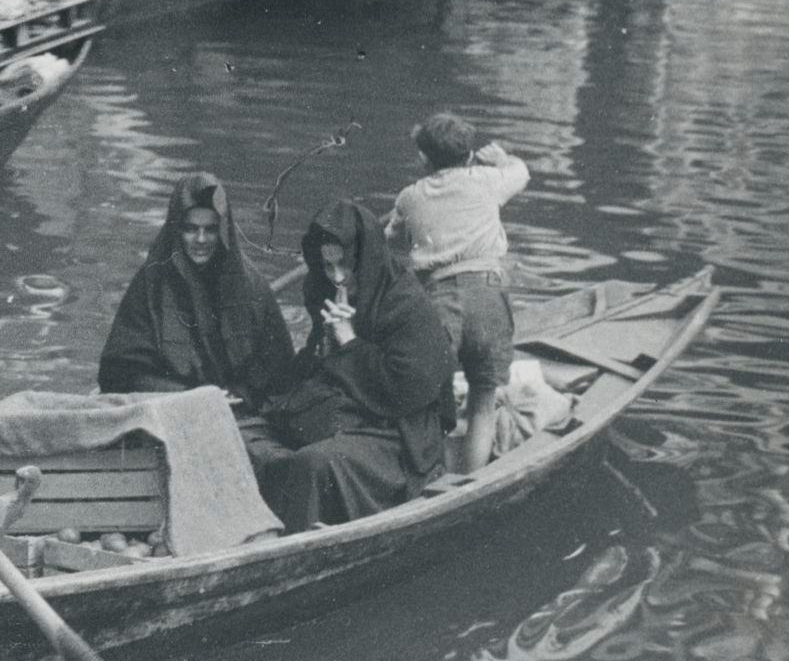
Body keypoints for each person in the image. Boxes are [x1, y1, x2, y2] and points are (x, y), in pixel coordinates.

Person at [242, 200, 457, 533]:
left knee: (314, 463)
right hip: (341, 413)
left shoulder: (406, 304)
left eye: (346, 265)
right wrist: (325, 344)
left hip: (396, 432)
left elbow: (408, 390)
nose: (338, 278)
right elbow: (315, 367)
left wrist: (350, 342)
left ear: (366, 259)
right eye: (328, 266)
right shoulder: (325, 290)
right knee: (243, 435)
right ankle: (246, 529)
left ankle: (295, 542)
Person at [386, 113, 531, 475]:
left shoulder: (409, 197)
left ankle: (427, 470)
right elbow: (522, 172)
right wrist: (503, 159)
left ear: (423, 159)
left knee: (430, 393)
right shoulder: (487, 180)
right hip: (488, 293)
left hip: (438, 299)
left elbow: (392, 239)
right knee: (484, 398)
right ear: (468, 156)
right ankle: (471, 480)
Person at [97, 172, 294, 409]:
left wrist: (236, 397)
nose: (201, 239)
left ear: (222, 231)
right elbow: (118, 373)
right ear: (177, 229)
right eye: (191, 229)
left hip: (238, 409)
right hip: (175, 409)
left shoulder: (251, 284)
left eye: (210, 230)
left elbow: (281, 376)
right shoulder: (151, 282)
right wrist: (193, 398)